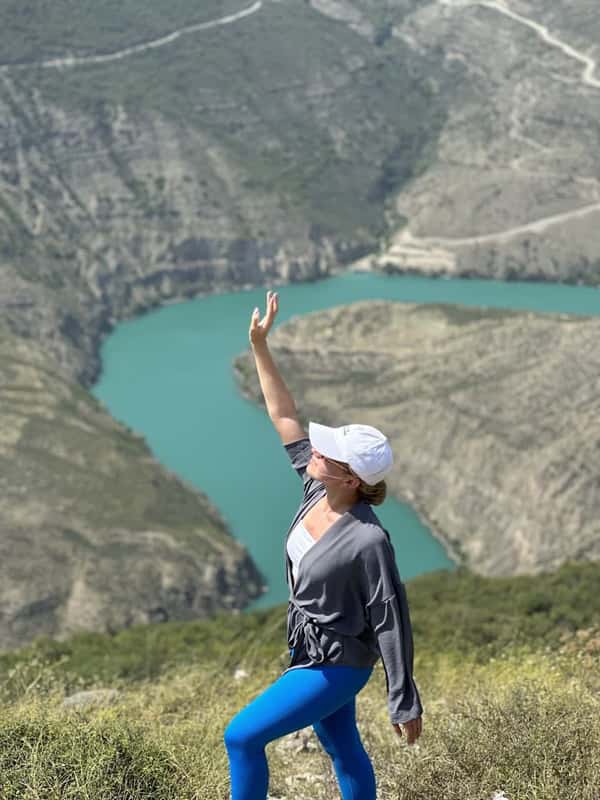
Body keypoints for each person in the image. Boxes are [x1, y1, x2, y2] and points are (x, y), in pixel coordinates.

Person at [224, 290, 423, 800]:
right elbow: (284, 415)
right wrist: (260, 345)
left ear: (352, 479)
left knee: (241, 737)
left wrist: (403, 700)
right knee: (340, 746)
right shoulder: (317, 487)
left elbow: (390, 618)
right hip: (307, 649)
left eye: (328, 453)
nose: (316, 450)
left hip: (335, 665)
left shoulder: (367, 538)